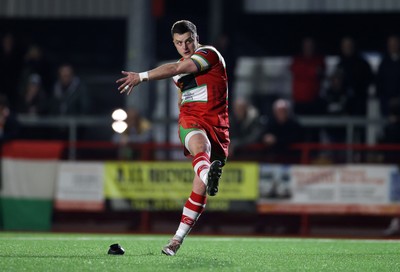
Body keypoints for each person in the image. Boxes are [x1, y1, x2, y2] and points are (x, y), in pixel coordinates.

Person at [116, 20, 229, 256]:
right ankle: (209, 174)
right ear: (174, 43)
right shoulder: (179, 68)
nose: (185, 47)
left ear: (196, 37)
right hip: (191, 122)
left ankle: (176, 240)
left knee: (199, 188)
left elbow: (178, 71)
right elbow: (180, 92)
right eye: (179, 43)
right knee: (201, 146)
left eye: (188, 40)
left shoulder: (209, 54)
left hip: (218, 126)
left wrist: (141, 76)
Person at [335, 37, 373, 116]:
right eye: (345, 46)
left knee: (358, 125)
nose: (347, 48)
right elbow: (336, 84)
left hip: (359, 101)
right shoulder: (340, 65)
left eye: (349, 45)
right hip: (344, 102)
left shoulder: (363, 64)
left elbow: (369, 80)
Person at [290, 37, 326, 116]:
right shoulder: (297, 60)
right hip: (299, 101)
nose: (308, 48)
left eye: (310, 46)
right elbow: (294, 68)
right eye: (306, 46)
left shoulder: (319, 60)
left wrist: (306, 71)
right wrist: (313, 71)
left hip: (313, 101)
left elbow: (321, 72)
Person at [376, 35, 400, 116]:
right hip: (386, 104)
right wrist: (387, 101)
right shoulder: (383, 64)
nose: (393, 47)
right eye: (391, 44)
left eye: (395, 44)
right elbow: (379, 84)